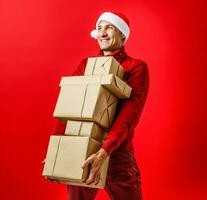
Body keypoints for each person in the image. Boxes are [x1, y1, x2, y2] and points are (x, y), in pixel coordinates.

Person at [52, 11, 150, 200]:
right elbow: (69, 106)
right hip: (82, 151)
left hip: (117, 154)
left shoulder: (135, 67)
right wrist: (57, 146)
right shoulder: (85, 66)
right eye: (99, 28)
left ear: (122, 34)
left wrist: (105, 150)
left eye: (109, 27)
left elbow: (129, 115)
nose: (102, 33)